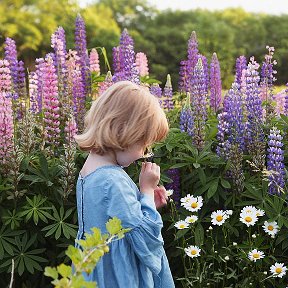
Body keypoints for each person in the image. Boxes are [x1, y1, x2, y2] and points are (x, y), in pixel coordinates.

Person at [73, 81, 175, 288]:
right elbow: (143, 236)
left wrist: (148, 204)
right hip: (121, 274)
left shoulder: (88, 172)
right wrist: (146, 190)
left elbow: (119, 219)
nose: (144, 153)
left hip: (95, 268)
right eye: (144, 144)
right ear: (124, 132)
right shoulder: (113, 179)